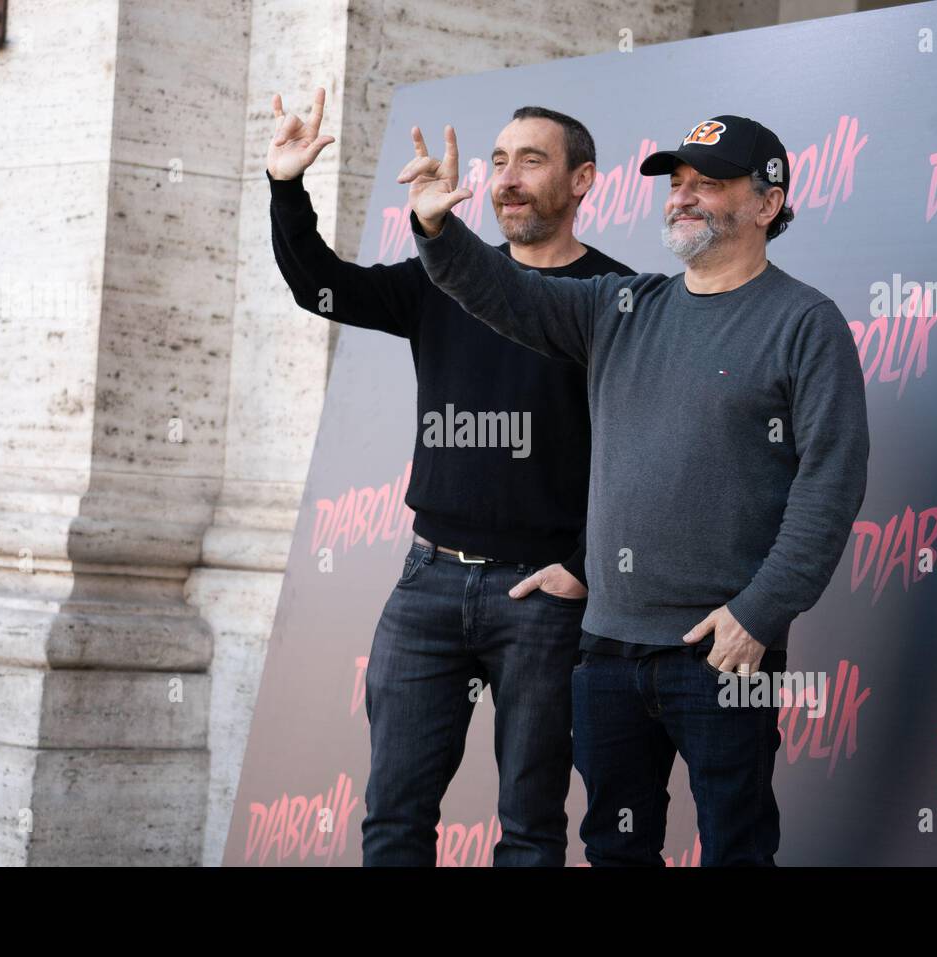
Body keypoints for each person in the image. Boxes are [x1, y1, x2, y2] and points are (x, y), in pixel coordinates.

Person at [398, 115, 869, 865]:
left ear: (767, 203)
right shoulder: (621, 306)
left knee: (737, 850)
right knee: (615, 853)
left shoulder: (806, 324)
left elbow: (831, 484)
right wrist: (436, 229)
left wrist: (759, 614)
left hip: (726, 653)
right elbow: (502, 292)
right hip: (608, 652)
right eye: (676, 182)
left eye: (707, 183)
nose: (682, 197)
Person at [267, 89, 634, 865]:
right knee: (395, 819)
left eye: (531, 160)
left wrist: (584, 564)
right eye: (498, 160)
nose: (507, 177)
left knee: (531, 829)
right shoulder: (442, 279)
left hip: (542, 598)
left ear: (583, 180)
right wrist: (286, 186)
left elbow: (642, 455)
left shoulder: (619, 302)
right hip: (427, 582)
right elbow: (319, 285)